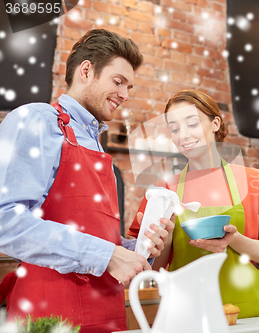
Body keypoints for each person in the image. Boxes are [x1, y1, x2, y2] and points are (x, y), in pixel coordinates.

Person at [0, 29, 171, 332]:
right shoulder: (36, 120)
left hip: (105, 313)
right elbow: (5, 222)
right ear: (87, 70)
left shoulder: (93, 143)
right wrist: (107, 255)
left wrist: (136, 247)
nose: (125, 95)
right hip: (50, 315)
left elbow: (89, 236)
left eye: (129, 86)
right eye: (118, 81)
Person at [128, 90, 259, 318]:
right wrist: (161, 240)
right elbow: (155, 268)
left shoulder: (256, 181)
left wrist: (233, 239)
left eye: (192, 124)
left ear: (215, 123)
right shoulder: (163, 191)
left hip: (243, 309)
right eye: (174, 128)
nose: (183, 135)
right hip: (185, 310)